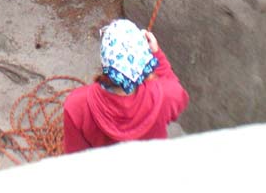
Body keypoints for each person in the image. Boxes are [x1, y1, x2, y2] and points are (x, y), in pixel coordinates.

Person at [63, 18, 189, 153]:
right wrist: (157, 54)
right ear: (144, 62)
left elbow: (75, 156)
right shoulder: (167, 95)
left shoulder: (76, 105)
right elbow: (178, 95)